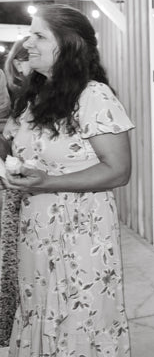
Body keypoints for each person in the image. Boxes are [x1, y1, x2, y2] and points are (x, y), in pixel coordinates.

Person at [1, 4, 133, 356]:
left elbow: (118, 170)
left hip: (80, 232)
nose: (28, 42)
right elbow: (29, 154)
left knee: (78, 318)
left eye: (39, 35)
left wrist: (46, 183)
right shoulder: (34, 96)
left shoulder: (94, 96)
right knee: (39, 309)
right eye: (30, 33)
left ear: (69, 44)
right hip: (35, 231)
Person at [0, 39, 31, 347]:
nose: (23, 65)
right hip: (13, 184)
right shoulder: (16, 94)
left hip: (31, 186)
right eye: (19, 60)